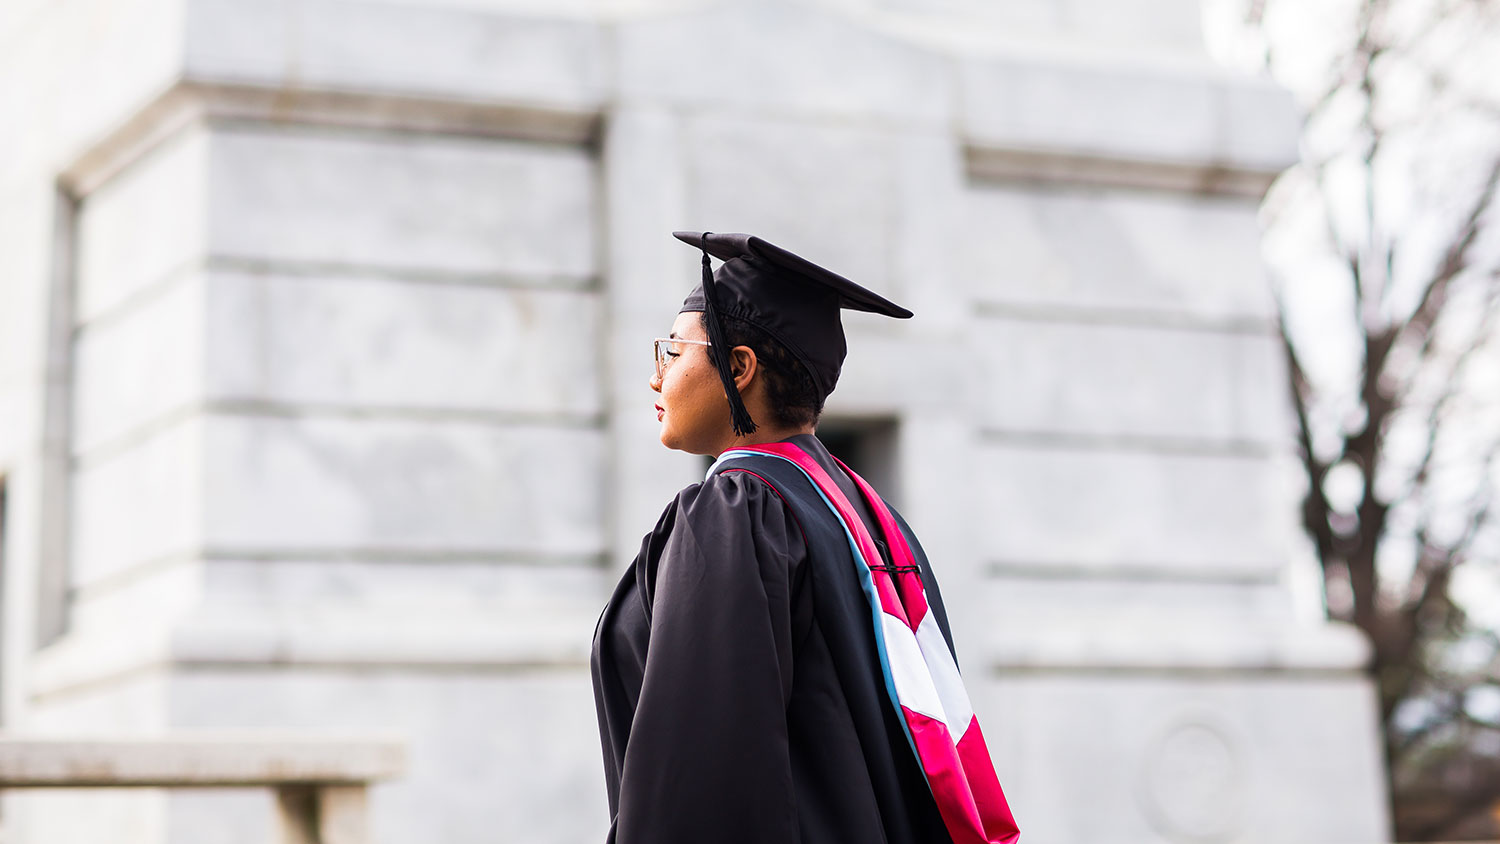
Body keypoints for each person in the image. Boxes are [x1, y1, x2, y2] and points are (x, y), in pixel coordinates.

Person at [590, 232, 1020, 844]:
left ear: (738, 368)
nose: (657, 379)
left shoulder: (735, 512)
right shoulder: (867, 516)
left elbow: (706, 772)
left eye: (672, 352)